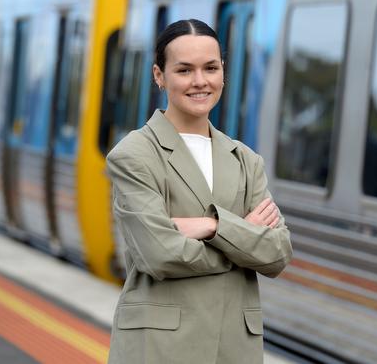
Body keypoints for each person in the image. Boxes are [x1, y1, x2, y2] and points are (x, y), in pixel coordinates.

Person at [106, 19, 293, 364]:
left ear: (223, 71)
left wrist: (213, 226)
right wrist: (241, 237)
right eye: (183, 70)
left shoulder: (246, 160)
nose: (199, 81)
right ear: (159, 76)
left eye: (210, 67)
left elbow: (277, 253)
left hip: (233, 349)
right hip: (160, 350)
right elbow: (160, 254)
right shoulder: (133, 155)